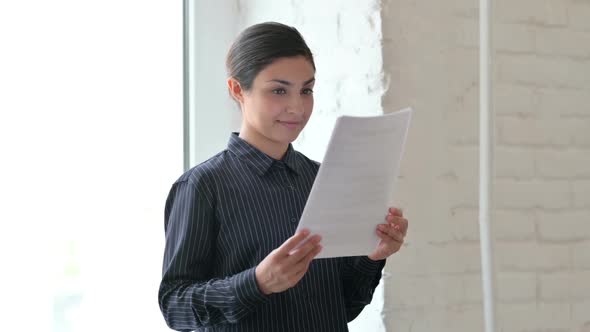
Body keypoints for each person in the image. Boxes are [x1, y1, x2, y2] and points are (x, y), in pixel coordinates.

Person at [158, 22, 409, 332]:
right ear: (238, 90)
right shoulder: (201, 186)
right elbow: (175, 306)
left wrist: (373, 256)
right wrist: (257, 283)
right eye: (279, 90)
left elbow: (343, 305)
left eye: (306, 90)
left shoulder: (324, 179)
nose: (297, 107)